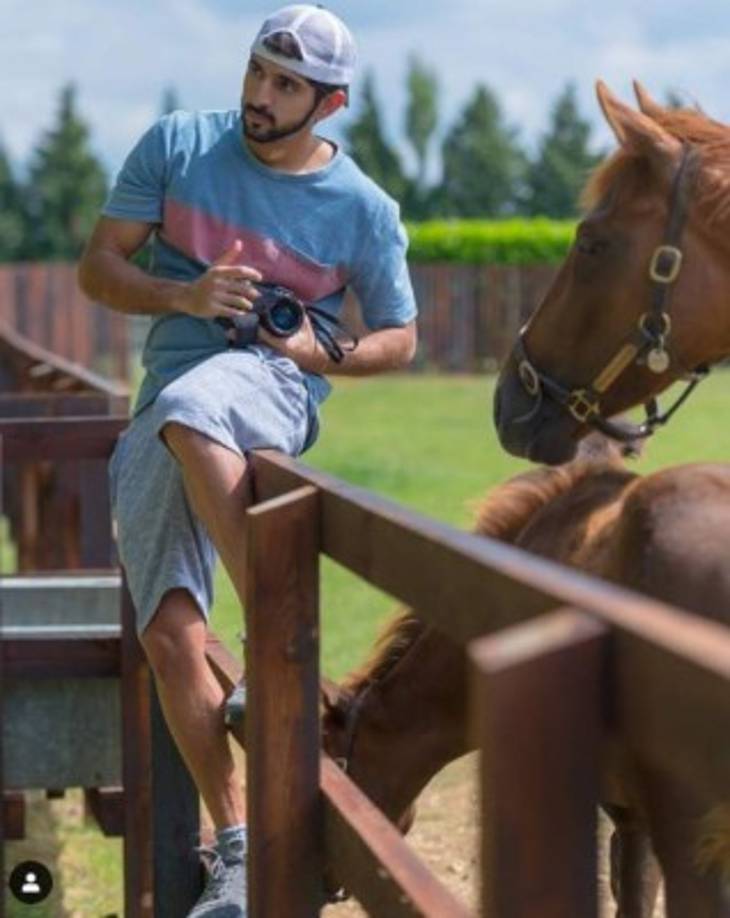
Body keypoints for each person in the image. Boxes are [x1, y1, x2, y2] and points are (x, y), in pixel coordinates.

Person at [77, 4, 417, 916]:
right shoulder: (179, 145)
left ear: (329, 103)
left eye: (286, 84)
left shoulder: (363, 208)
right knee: (167, 634)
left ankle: (277, 642)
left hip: (274, 384)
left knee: (197, 406)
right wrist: (185, 296)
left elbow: (401, 337)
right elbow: (98, 269)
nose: (260, 94)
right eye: (258, 71)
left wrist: (314, 350)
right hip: (164, 401)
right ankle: (236, 848)